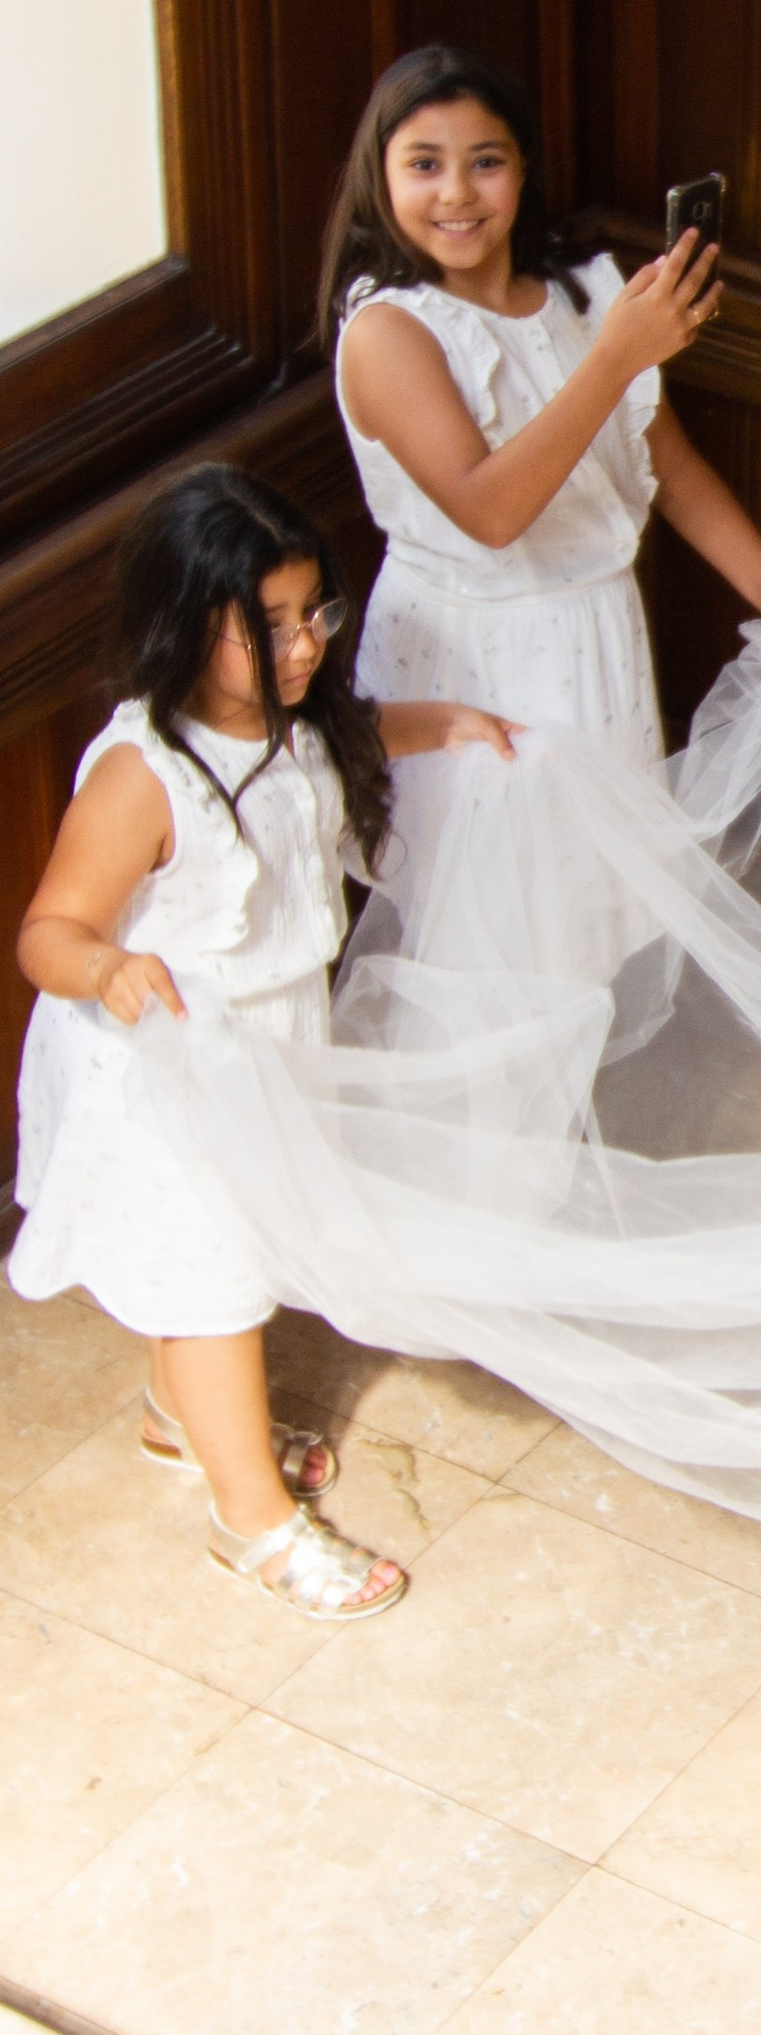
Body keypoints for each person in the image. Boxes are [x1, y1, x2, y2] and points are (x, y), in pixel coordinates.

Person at [9, 467, 512, 1618]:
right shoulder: (147, 776)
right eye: (269, 626)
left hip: (268, 1038)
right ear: (186, 626)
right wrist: (106, 967)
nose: (303, 648)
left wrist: (445, 726)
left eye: (313, 616)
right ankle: (256, 1526)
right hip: (165, 1057)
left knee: (224, 1253)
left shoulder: (296, 725)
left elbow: (353, 741)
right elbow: (48, 930)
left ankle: (175, 1415)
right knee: (218, 1278)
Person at [323, 45, 761, 763]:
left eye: (485, 162)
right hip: (473, 659)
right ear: (380, 176)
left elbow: (669, 467)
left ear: (523, 169)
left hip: (597, 639)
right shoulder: (389, 331)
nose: (456, 192)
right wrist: (618, 356)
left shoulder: (585, 294)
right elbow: (490, 512)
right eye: (424, 164)